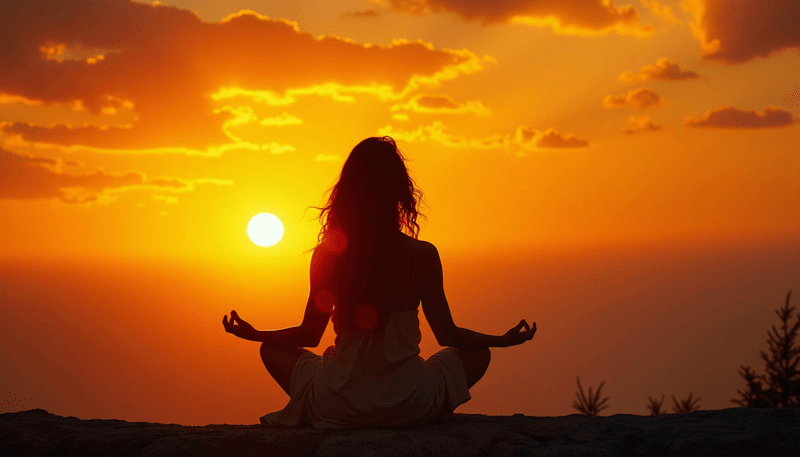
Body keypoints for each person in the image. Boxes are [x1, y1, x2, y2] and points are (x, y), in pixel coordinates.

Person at [222, 136, 536, 428]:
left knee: (270, 350)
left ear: (347, 192)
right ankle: (421, 410)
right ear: (399, 191)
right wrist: (500, 340)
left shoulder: (329, 256)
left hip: (337, 404)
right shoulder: (423, 255)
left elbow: (309, 335)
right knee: (480, 353)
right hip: (410, 404)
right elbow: (447, 334)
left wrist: (254, 334)